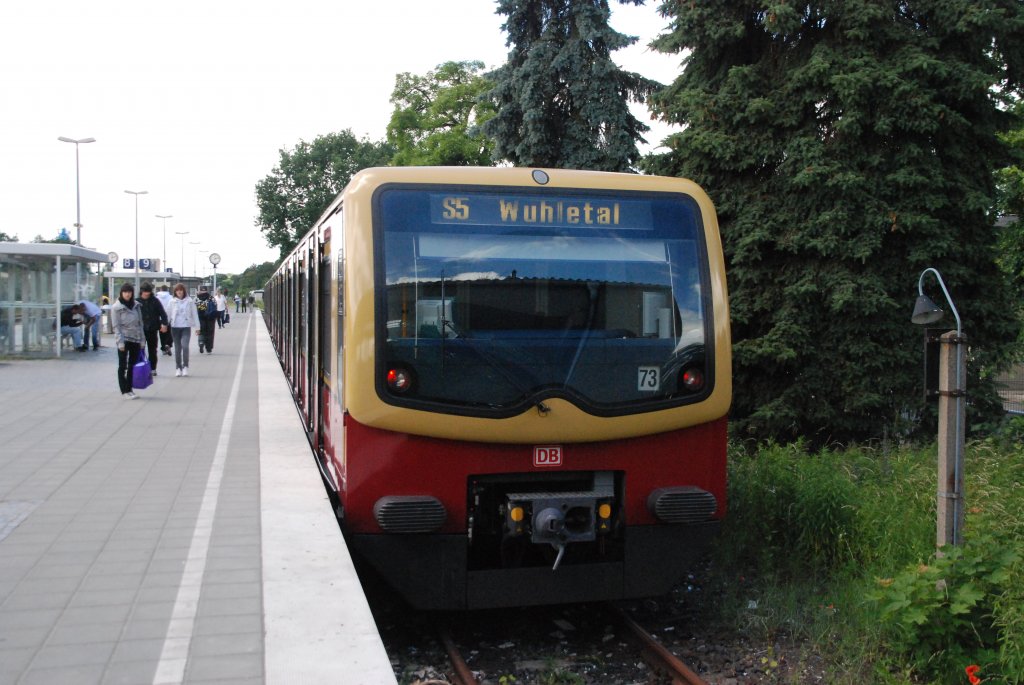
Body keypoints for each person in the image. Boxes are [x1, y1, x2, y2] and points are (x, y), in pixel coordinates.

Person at [110, 283, 144, 399]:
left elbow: (140, 324)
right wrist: (120, 342)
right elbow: (116, 326)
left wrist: (142, 340)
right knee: (122, 365)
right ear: (121, 293)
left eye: (129, 292)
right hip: (124, 339)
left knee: (132, 365)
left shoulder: (136, 305)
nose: (127, 294)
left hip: (135, 338)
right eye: (125, 292)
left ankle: (130, 389)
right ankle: (124, 390)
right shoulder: (116, 307)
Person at [167, 282, 199, 377]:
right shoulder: (172, 301)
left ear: (184, 291)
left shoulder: (189, 301)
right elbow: (168, 314)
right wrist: (164, 324)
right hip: (175, 327)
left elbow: (195, 314)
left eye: (181, 290)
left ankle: (185, 366)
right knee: (177, 348)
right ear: (175, 292)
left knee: (185, 346)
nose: (179, 292)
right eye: (177, 290)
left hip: (185, 327)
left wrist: (198, 327)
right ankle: (178, 367)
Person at [138, 282, 169, 376]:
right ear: (141, 292)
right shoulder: (136, 302)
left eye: (148, 292)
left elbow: (163, 314)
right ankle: (141, 368)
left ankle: (152, 368)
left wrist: (164, 324)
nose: (147, 294)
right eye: (145, 292)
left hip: (152, 328)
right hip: (140, 330)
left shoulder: (155, 301)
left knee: (152, 349)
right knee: (140, 349)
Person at [194, 285, 218, 353]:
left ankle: (201, 342)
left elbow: (193, 308)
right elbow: (215, 306)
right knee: (210, 332)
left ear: (200, 290)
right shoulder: (211, 298)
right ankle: (209, 348)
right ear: (207, 290)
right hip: (210, 317)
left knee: (201, 330)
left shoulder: (196, 298)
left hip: (200, 317)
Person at [155, 285, 173, 355]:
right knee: (168, 332)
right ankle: (168, 344)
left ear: (160, 289)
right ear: (167, 289)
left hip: (159, 318)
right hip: (168, 317)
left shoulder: (157, 297)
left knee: (162, 333)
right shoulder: (170, 297)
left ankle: (163, 348)